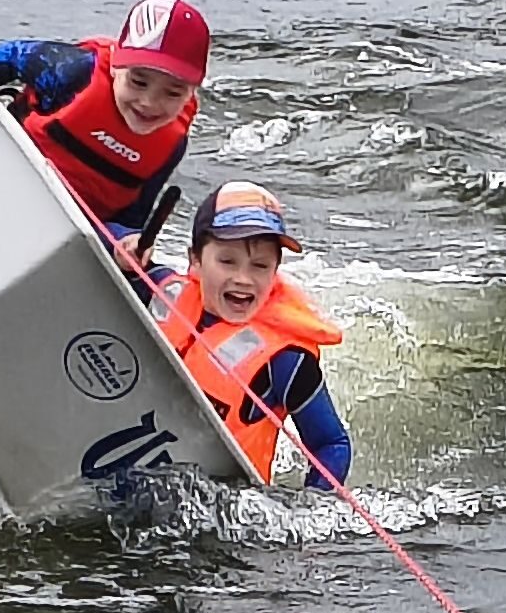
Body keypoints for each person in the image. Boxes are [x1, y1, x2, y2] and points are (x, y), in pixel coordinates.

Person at [145, 181, 351, 492]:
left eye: (260, 266)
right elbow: (101, 246)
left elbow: (331, 443)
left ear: (275, 271)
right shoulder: (156, 289)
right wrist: (126, 248)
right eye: (227, 261)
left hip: (220, 511)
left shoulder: (287, 363)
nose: (243, 279)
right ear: (195, 261)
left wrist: (306, 507)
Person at [0, 0, 209, 254]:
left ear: (191, 93)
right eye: (138, 82)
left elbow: (132, 218)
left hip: (70, 232)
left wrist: (128, 246)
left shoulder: (173, 144)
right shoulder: (73, 72)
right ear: (116, 66)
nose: (149, 103)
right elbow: (8, 55)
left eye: (172, 94)